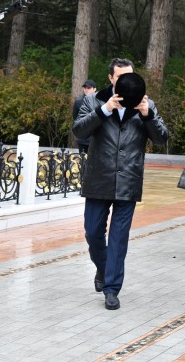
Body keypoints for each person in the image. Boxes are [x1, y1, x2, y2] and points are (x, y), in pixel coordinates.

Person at [72, 58, 169, 310]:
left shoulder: (147, 105)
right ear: (111, 79)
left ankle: (112, 289)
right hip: (98, 179)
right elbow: (79, 131)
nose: (127, 81)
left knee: (118, 238)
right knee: (93, 232)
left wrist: (148, 116)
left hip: (128, 180)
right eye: (121, 77)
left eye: (131, 76)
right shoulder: (93, 102)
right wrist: (104, 109)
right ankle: (103, 270)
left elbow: (161, 139)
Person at [72, 79, 97, 153]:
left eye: (88, 88)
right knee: (82, 161)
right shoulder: (78, 102)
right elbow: (76, 118)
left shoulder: (99, 101)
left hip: (96, 139)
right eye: (85, 88)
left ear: (94, 89)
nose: (86, 90)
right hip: (83, 138)